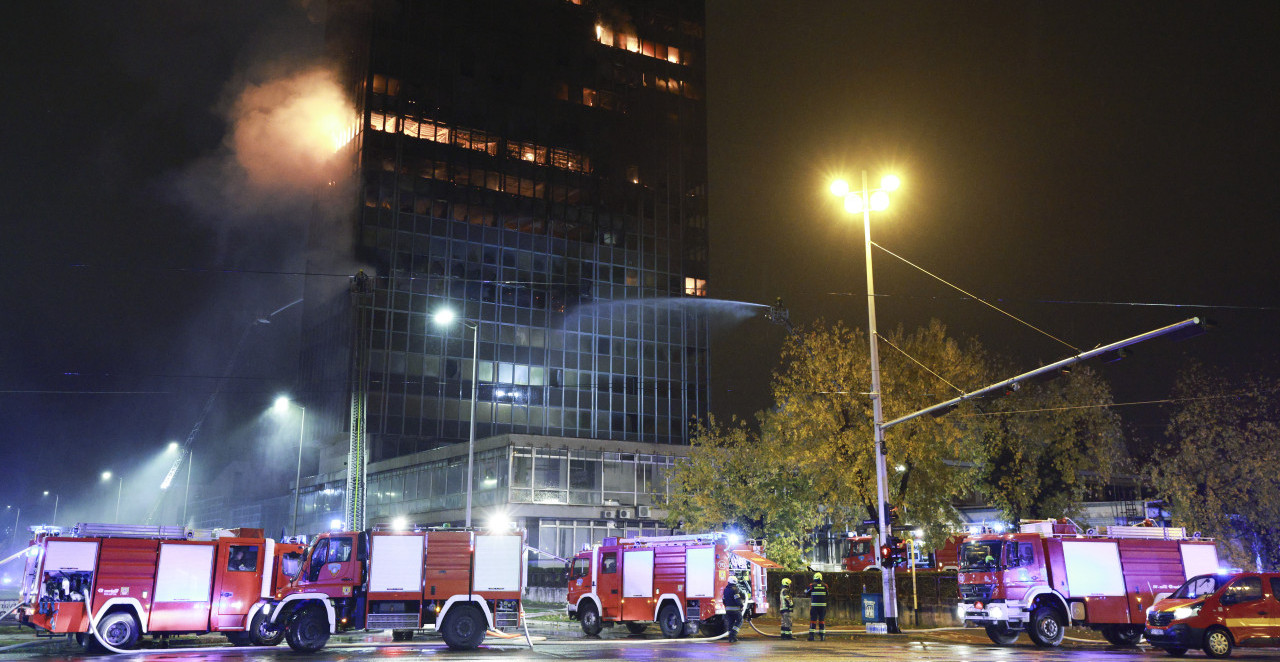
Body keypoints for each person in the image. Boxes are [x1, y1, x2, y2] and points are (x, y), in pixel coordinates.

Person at [806, 572, 828, 641]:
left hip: (814, 606)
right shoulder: (825, 586)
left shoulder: (812, 585)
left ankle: (812, 636)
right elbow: (827, 594)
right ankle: (822, 636)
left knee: (813, 620)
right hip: (822, 606)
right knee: (822, 620)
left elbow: (807, 593)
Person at [722, 575, 744, 642]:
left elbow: (723, 600)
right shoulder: (735, 589)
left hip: (728, 610)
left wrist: (727, 606)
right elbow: (737, 599)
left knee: (731, 623)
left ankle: (730, 638)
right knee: (740, 621)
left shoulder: (725, 590)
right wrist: (741, 606)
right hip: (735, 610)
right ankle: (733, 635)